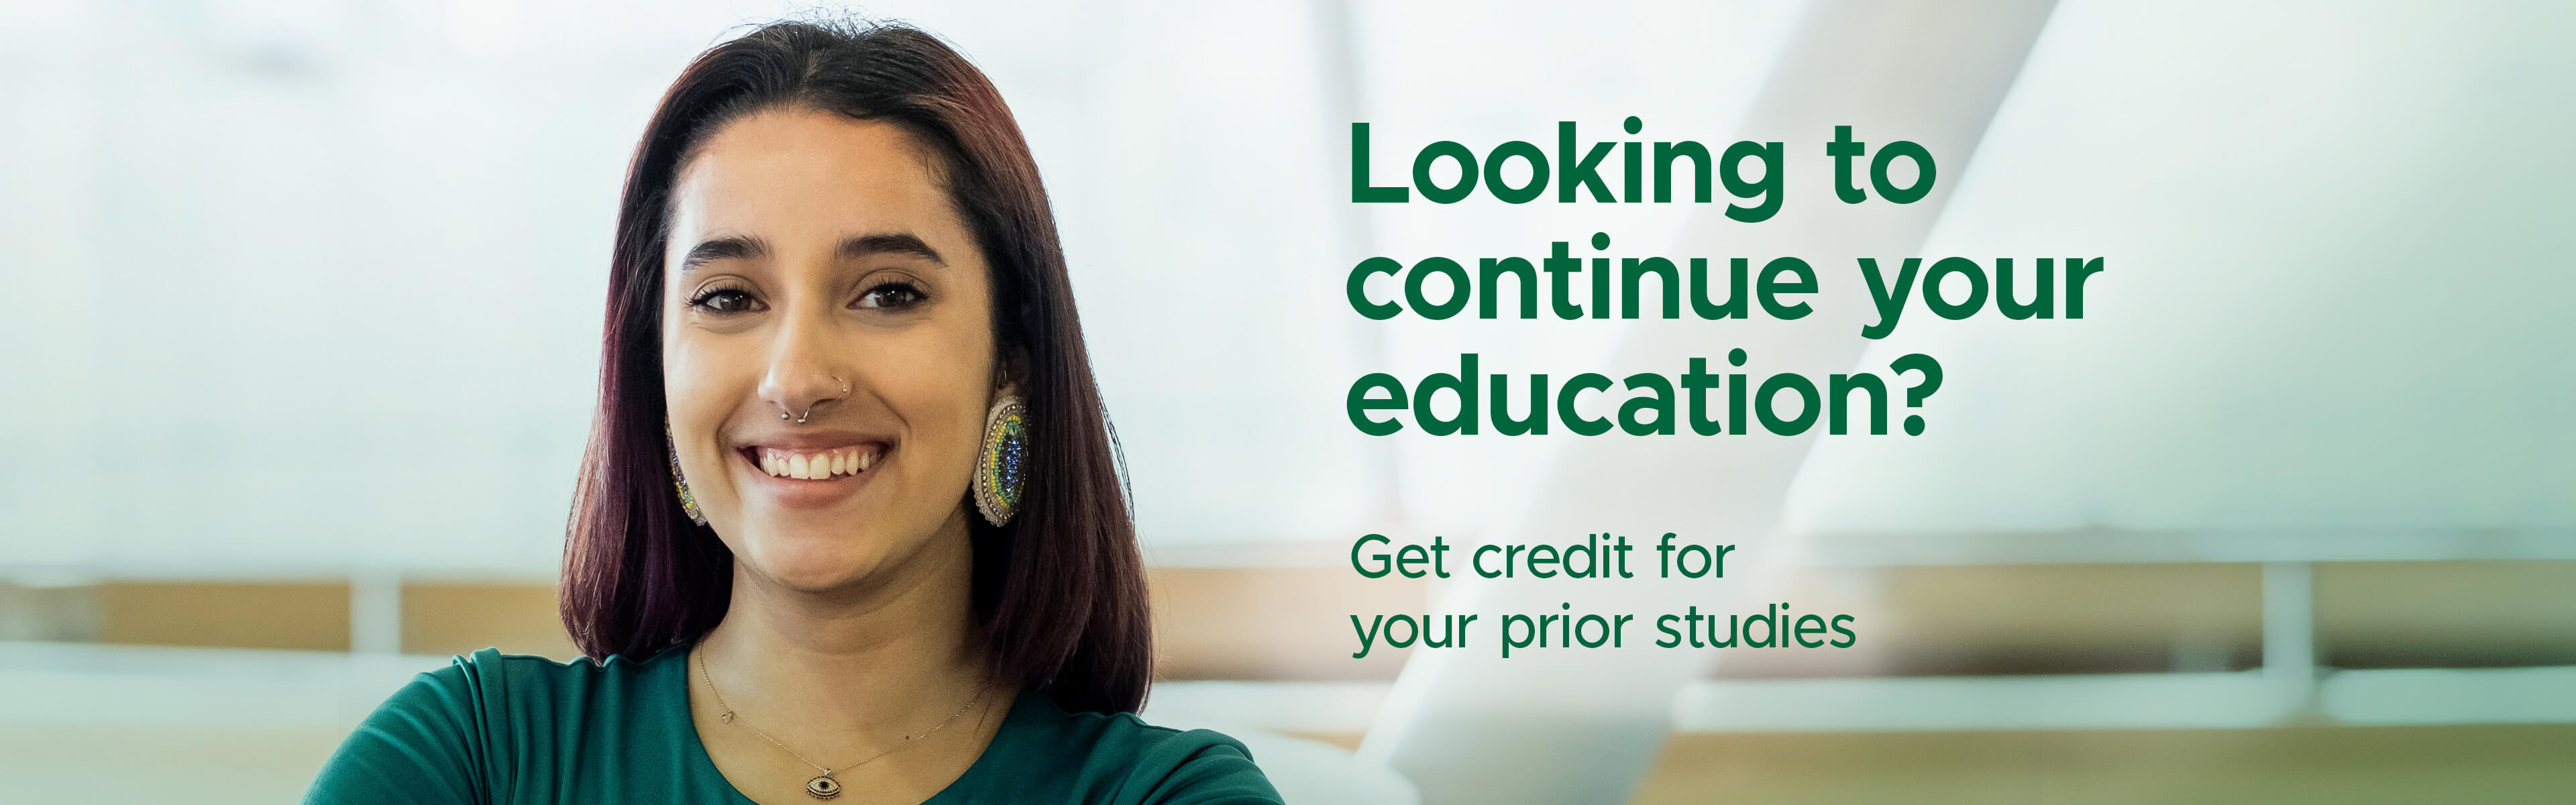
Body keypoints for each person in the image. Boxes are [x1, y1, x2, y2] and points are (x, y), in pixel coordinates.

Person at [305, 19, 1281, 805]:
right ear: (655, 372)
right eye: (729, 298)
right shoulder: (469, 759)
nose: (796, 377)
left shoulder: (1170, 795)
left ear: (1009, 364)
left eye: (888, 292)